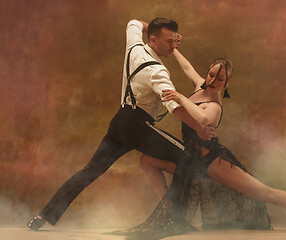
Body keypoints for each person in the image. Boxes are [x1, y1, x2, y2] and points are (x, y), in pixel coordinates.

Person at [108, 48, 286, 239]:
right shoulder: (200, 86)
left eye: (220, 78)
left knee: (266, 193)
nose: (213, 79)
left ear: (227, 83)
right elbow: (187, 68)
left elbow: (203, 118)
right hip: (191, 161)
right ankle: (172, 211)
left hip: (212, 162)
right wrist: (174, 50)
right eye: (211, 74)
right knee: (146, 160)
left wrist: (180, 97)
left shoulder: (214, 105)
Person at [27, 18, 214, 231]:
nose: (174, 46)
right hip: (138, 127)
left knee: (90, 171)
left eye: (175, 41)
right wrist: (199, 127)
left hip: (120, 121)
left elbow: (133, 23)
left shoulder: (134, 47)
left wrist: (158, 30)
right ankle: (171, 218)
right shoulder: (158, 71)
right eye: (169, 42)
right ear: (153, 40)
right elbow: (176, 107)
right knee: (187, 158)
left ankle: (42, 217)